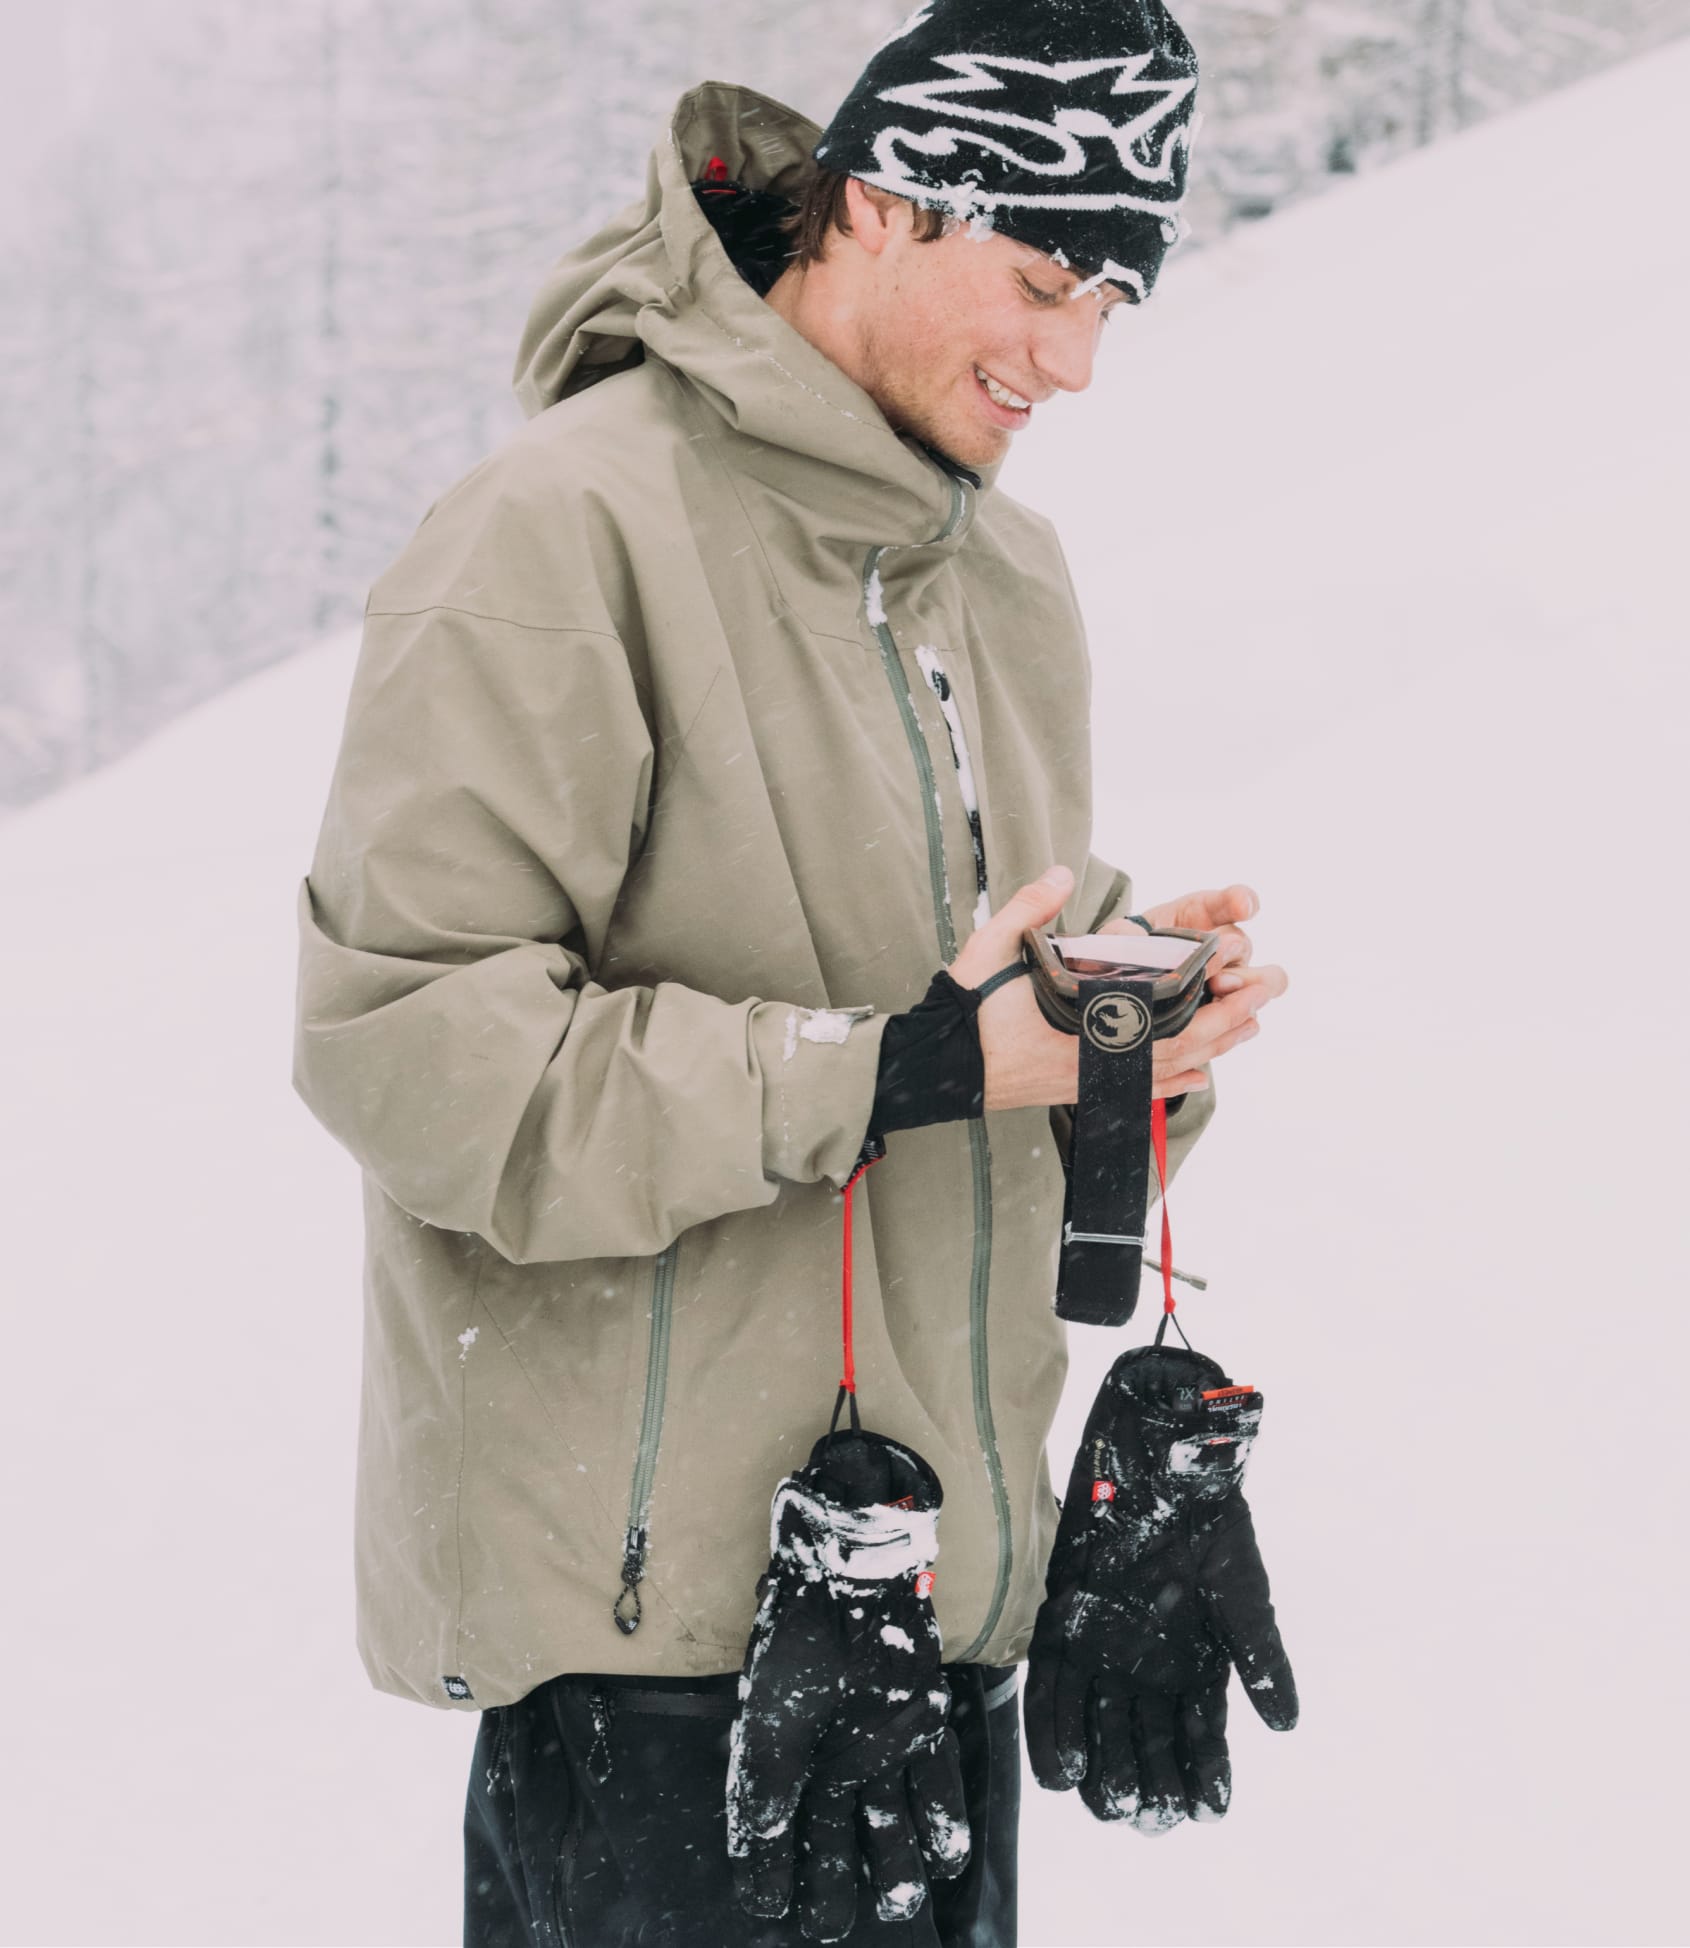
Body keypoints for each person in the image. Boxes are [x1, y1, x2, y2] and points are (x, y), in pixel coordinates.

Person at [291, 1, 1286, 1941]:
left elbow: (961, 1051)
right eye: (1042, 283)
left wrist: (1122, 1038)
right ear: (887, 205)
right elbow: (414, 1056)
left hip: (924, 1617)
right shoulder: (561, 530)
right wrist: (904, 1061)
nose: (1074, 360)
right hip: (656, 1659)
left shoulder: (999, 578)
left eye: (1109, 304)